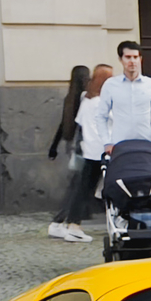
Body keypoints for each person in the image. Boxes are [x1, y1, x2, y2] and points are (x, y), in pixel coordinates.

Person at [50, 64, 114, 242]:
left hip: (89, 151)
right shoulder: (103, 103)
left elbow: (78, 123)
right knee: (96, 189)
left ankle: (72, 224)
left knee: (83, 189)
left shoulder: (86, 100)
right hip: (102, 152)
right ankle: (74, 225)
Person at [92, 40, 151, 154]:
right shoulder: (110, 85)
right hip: (119, 146)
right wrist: (107, 142)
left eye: (135, 57)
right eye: (128, 57)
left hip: (146, 145)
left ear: (140, 59)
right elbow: (101, 116)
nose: (132, 61)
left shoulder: (150, 84)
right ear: (121, 60)